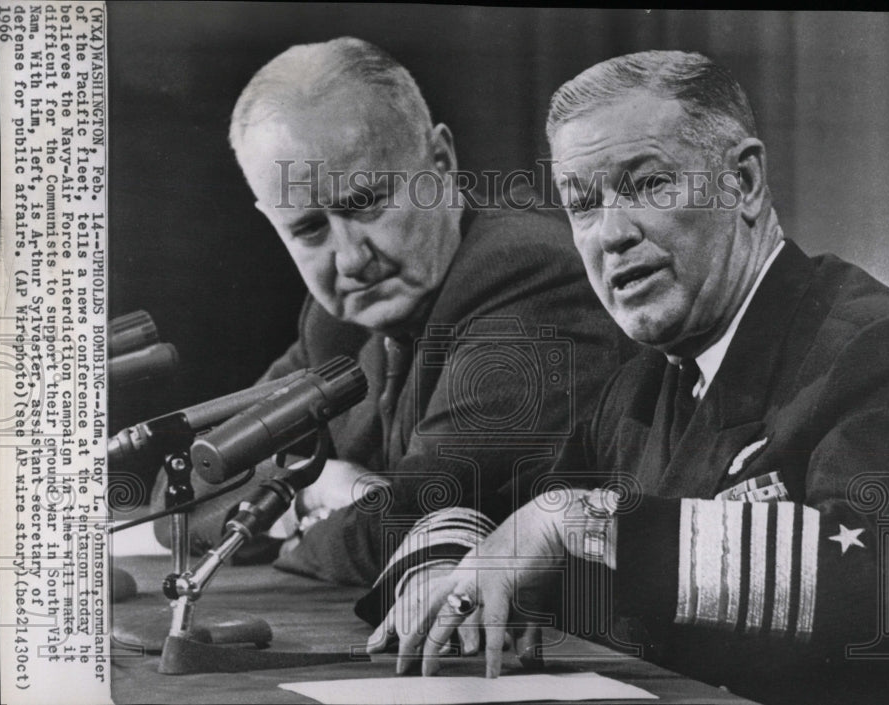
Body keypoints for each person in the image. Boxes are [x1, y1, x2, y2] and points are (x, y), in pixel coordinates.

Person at [373, 51, 889, 705]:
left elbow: (880, 579)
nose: (611, 234)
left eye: (648, 184)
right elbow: (510, 526)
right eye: (582, 204)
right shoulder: (638, 387)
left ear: (742, 182)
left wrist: (580, 520)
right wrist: (446, 572)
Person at [151, 38, 634, 591]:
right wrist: (308, 491)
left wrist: (295, 522)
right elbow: (181, 495)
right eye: (309, 229)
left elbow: (400, 530)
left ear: (441, 163)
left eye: (365, 204)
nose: (352, 258)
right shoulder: (338, 323)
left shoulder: (530, 276)